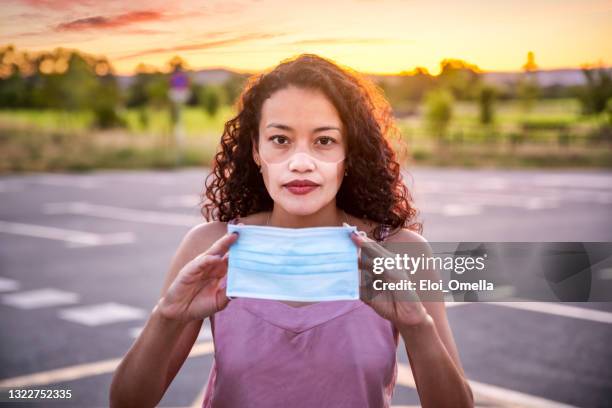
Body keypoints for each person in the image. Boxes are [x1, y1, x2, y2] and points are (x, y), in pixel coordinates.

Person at [109, 54, 474, 408]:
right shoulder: (211, 248)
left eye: (324, 141)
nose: (301, 163)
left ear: (350, 152)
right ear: (255, 150)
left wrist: (418, 327)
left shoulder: (402, 253)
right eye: (280, 140)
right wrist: (167, 317)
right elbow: (126, 402)